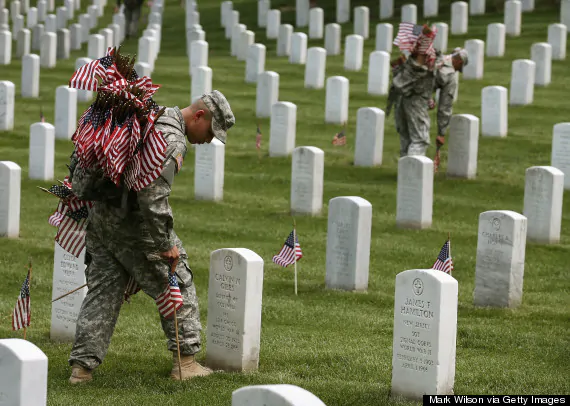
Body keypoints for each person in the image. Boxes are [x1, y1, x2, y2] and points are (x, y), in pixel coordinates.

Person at [67, 90, 236, 384]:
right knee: (178, 282)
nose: (208, 140)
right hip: (134, 227)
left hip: (102, 219)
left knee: (103, 292)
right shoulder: (172, 140)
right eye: (210, 132)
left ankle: (81, 369)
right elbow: (152, 197)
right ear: (199, 116)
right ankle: (186, 363)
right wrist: (165, 244)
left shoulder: (152, 116)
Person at [430, 48, 469, 150]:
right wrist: (441, 133)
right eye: (459, 67)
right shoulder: (450, 76)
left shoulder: (435, 56)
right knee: (419, 140)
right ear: (459, 62)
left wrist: (428, 98)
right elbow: (445, 106)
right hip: (415, 103)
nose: (457, 71)